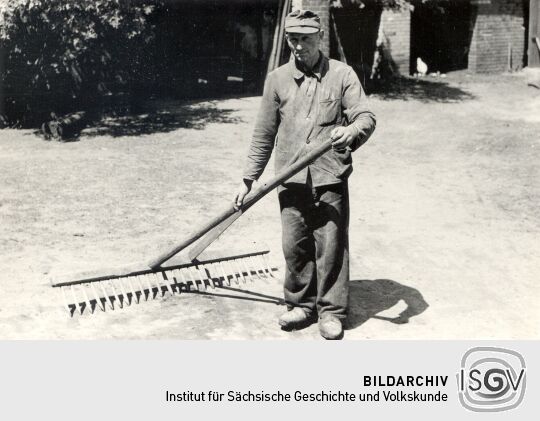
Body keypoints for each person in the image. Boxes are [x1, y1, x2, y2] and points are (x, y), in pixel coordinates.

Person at [233, 9, 376, 340]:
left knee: (331, 246)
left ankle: (331, 311)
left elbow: (366, 116)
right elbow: (263, 134)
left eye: (306, 40)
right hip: (290, 177)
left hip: (330, 177)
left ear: (320, 38)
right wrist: (247, 179)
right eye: (293, 40)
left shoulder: (342, 75)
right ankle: (301, 305)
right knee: (294, 245)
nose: (299, 47)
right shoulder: (277, 80)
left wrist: (351, 131)